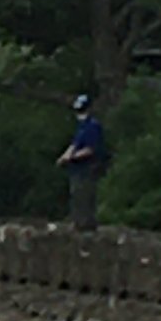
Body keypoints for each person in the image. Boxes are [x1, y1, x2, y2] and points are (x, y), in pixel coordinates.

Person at [57, 94, 106, 230]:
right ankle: (77, 222)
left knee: (86, 194)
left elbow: (90, 149)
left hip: (88, 166)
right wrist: (64, 156)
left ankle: (87, 224)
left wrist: (72, 157)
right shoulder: (81, 127)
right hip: (77, 168)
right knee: (76, 194)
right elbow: (74, 144)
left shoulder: (93, 126)